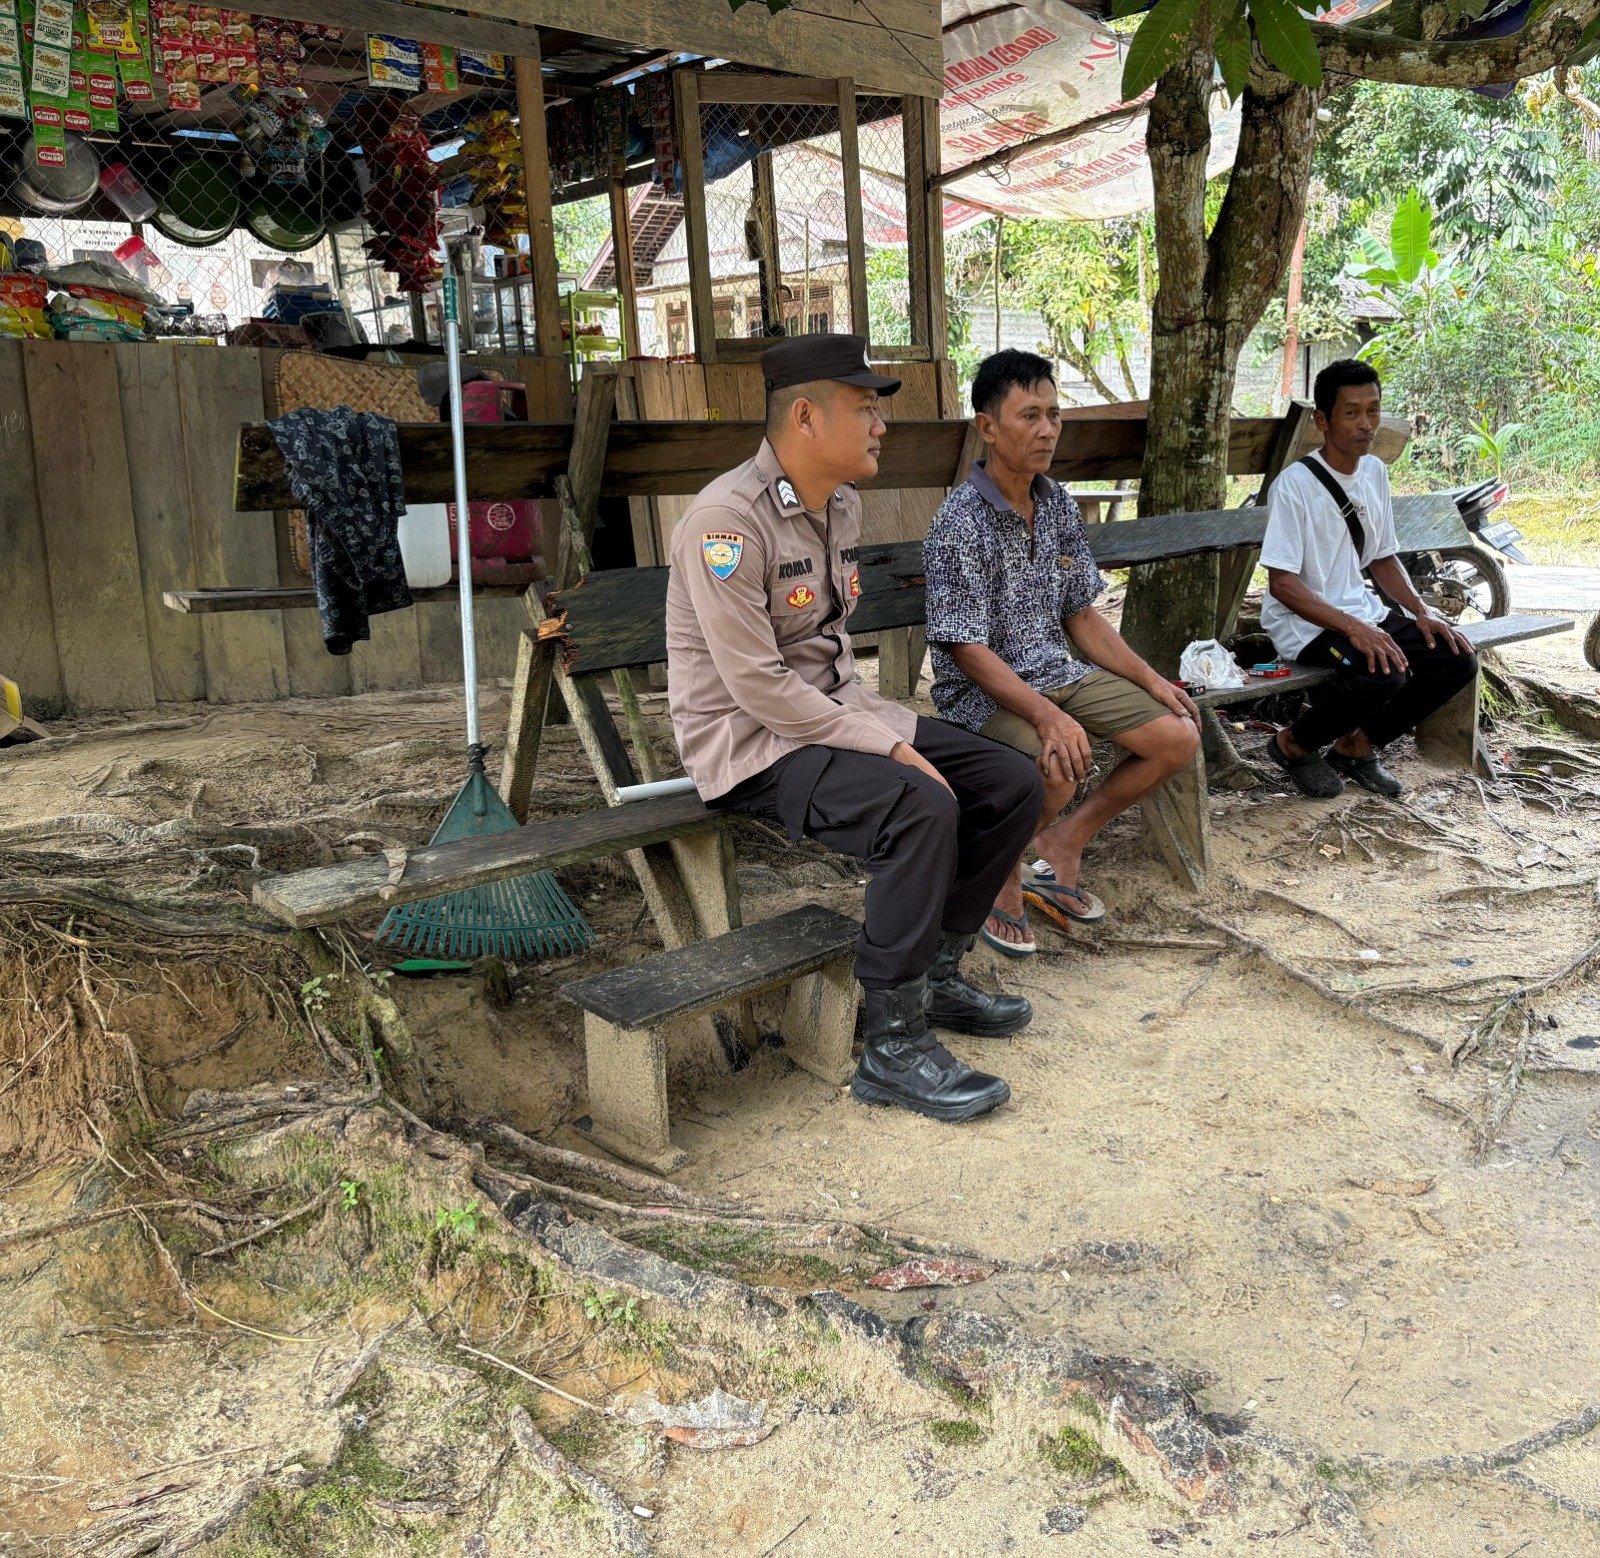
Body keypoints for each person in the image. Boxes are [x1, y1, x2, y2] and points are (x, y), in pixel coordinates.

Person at [664, 334, 1045, 1124]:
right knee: (919, 805)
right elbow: (759, 687)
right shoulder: (724, 524)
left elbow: (828, 660)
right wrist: (895, 746)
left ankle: (935, 973)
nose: (881, 426)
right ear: (805, 416)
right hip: (752, 746)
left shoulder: (838, 502)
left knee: (1010, 782)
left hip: (837, 715)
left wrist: (887, 732)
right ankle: (891, 1041)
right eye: (865, 409)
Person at [922, 350, 1200, 956]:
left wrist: (1150, 679)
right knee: (1052, 764)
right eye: (1029, 416)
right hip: (982, 694)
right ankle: (1000, 871)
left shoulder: (1057, 505)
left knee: (1177, 736)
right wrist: (1049, 716)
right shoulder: (958, 522)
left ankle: (1065, 839)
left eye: (1053, 414)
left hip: (1060, 672)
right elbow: (963, 646)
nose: (1047, 430)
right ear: (987, 426)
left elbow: (1080, 613)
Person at [1259, 359, 1476, 799]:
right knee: (1384, 672)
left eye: (1373, 410)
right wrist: (1355, 628)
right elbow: (1283, 584)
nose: (1366, 424)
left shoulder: (1375, 472)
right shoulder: (1294, 485)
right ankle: (1294, 744)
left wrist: (1421, 611)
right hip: (1305, 623)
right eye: (1352, 412)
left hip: (1363, 613)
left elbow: (1381, 559)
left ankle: (1357, 747)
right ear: (1322, 420)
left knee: (1455, 658)